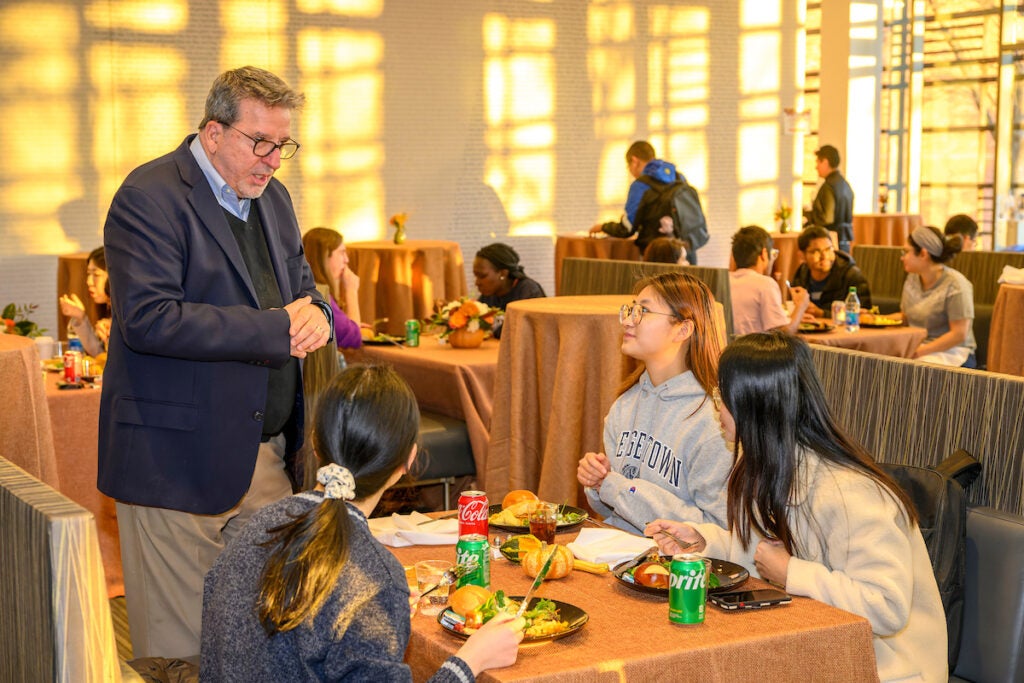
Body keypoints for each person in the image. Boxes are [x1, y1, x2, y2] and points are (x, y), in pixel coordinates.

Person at [98, 66, 333, 660]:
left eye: (284, 146)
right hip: (176, 462)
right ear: (212, 133)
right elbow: (149, 318)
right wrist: (278, 327)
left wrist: (321, 315)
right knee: (185, 655)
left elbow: (305, 288)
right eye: (260, 142)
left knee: (267, 646)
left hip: (266, 454)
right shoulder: (149, 197)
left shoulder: (273, 199)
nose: (273, 160)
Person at [646, 332, 947, 683]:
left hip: (887, 665)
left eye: (721, 396)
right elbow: (762, 555)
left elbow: (886, 606)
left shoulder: (852, 493)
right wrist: (704, 542)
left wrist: (792, 573)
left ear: (753, 406)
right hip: (815, 642)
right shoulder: (768, 465)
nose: (716, 408)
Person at [201, 365, 523, 680]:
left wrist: (379, 612)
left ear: (314, 442)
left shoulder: (261, 525)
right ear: (408, 461)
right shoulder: (374, 575)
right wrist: (470, 660)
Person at [576, 272, 731, 532]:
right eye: (630, 309)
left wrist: (617, 488)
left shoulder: (715, 420)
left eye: (643, 312)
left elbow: (716, 529)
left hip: (680, 565)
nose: (628, 321)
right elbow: (611, 509)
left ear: (683, 329)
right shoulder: (625, 404)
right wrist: (598, 482)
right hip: (619, 554)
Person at [878, 226, 976, 367]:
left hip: (952, 351)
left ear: (923, 254)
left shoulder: (956, 285)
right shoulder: (912, 279)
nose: (902, 257)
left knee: (908, 369)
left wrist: (918, 352)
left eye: (906, 252)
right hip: (918, 345)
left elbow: (959, 334)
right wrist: (875, 319)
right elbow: (906, 317)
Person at [588, 141, 698, 263]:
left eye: (628, 166)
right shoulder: (678, 177)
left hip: (657, 256)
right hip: (686, 254)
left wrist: (603, 227)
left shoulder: (640, 185)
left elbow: (626, 228)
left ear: (634, 161)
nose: (630, 170)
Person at [729, 225, 809, 335]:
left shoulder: (724, 281)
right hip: (753, 351)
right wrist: (801, 306)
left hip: (727, 350)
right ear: (764, 254)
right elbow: (783, 334)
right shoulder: (765, 284)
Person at [302, 227, 364, 349]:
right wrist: (351, 290)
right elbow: (354, 339)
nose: (346, 260)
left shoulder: (307, 289)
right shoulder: (319, 296)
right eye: (342, 252)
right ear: (325, 256)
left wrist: (352, 324)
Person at [790, 226, 871, 318]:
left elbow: (863, 314)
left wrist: (822, 313)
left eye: (828, 249)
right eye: (816, 251)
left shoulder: (851, 276)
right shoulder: (801, 274)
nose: (824, 256)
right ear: (802, 256)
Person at [474, 243, 545, 339]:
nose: (477, 282)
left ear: (503, 273)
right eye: (476, 276)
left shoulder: (529, 291)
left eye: (482, 276)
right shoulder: (489, 293)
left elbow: (523, 333)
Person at [58, 245, 111, 357]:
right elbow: (99, 354)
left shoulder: (129, 314)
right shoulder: (111, 310)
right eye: (88, 274)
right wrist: (80, 317)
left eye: (96, 274)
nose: (89, 282)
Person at [804, 144, 854, 254]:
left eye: (818, 162)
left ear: (825, 162)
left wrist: (807, 215)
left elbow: (827, 218)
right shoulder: (845, 184)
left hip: (832, 242)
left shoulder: (829, 187)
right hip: (846, 239)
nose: (816, 167)